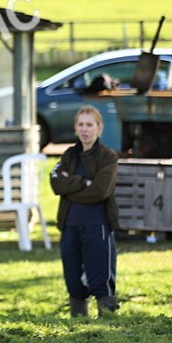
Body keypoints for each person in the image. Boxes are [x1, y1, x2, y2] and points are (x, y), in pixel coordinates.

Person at [50, 105, 120, 318]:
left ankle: (107, 315)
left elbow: (100, 191)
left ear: (99, 128)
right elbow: (56, 184)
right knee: (72, 275)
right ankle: (78, 317)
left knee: (100, 272)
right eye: (80, 124)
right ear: (75, 128)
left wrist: (71, 189)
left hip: (97, 224)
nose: (84, 129)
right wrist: (82, 182)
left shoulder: (108, 157)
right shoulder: (69, 156)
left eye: (89, 125)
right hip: (70, 224)